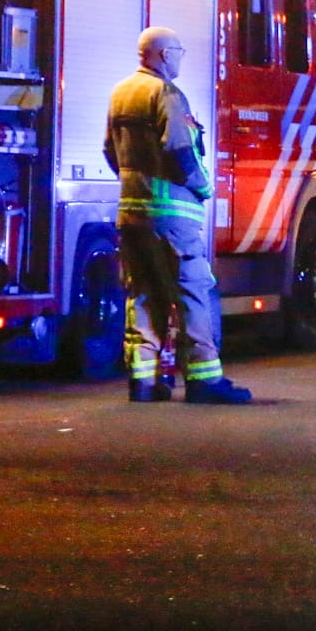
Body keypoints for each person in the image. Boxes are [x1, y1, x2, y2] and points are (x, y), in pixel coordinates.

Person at [104, 27, 251, 405]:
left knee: (143, 294)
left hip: (131, 216)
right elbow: (179, 148)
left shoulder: (121, 93)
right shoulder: (166, 92)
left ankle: (144, 382)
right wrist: (201, 187)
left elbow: (109, 150)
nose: (181, 58)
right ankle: (204, 380)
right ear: (166, 55)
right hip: (173, 219)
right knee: (192, 293)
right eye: (179, 51)